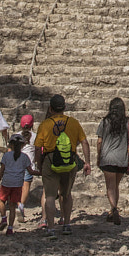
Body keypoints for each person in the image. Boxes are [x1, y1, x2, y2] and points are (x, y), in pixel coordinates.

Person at [33, 94, 88, 237]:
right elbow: (84, 142)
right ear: (64, 108)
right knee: (66, 193)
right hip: (69, 160)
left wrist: (39, 164)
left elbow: (38, 148)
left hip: (50, 159)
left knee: (50, 195)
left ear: (50, 109)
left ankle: (50, 227)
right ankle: (67, 224)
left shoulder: (45, 125)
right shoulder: (73, 123)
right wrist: (87, 161)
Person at [94, 98, 129, 225]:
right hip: (122, 158)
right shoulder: (127, 122)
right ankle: (113, 211)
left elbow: (99, 141)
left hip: (107, 158)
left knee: (110, 187)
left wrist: (98, 155)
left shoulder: (105, 122)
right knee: (115, 186)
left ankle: (113, 208)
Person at [0, 135, 30, 234]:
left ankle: (3, 218)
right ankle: (10, 228)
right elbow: (30, 171)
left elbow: (1, 171)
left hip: (7, 182)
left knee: (1, 201)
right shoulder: (25, 157)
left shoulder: (6, 156)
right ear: (22, 145)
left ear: (10, 144)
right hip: (18, 184)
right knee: (12, 206)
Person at [16, 114, 37, 219]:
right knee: (26, 186)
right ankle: (21, 205)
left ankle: (16, 203)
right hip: (29, 164)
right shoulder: (35, 136)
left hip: (17, 163)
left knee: (17, 185)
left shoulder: (16, 136)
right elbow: (38, 151)